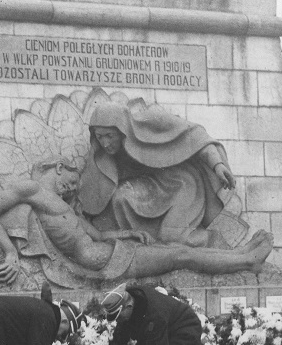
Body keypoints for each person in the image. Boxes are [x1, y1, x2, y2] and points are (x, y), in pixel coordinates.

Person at [0, 159, 273, 286]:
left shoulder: (62, 206)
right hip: (106, 263)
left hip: (112, 252)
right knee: (179, 255)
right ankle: (246, 262)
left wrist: (128, 231)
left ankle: (240, 255)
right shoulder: (31, 190)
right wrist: (9, 252)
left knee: (174, 248)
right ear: (59, 168)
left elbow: (94, 232)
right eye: (70, 181)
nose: (71, 189)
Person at [79, 101, 240, 248]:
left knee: (173, 237)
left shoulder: (151, 121)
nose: (105, 143)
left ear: (122, 129)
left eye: (109, 136)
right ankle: (146, 246)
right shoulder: (104, 153)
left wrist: (217, 165)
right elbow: (95, 191)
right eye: (100, 137)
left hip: (182, 183)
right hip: (151, 185)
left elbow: (195, 135)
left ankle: (216, 244)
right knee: (120, 198)